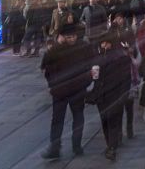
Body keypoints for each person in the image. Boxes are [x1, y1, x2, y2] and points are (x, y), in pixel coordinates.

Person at [40, 23, 93, 160]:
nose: (71, 39)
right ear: (62, 37)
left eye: (73, 36)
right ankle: (55, 148)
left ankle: (77, 145)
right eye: (68, 37)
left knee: (78, 117)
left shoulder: (83, 47)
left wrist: (86, 81)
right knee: (57, 120)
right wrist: (52, 84)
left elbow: (90, 65)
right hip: (60, 91)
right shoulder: (55, 50)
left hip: (77, 89)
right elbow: (45, 69)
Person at [91, 32, 132, 161]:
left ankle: (112, 148)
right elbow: (93, 77)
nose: (104, 45)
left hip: (116, 94)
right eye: (102, 43)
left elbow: (126, 78)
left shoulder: (121, 57)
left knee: (113, 120)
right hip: (101, 96)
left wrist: (124, 94)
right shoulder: (97, 58)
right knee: (105, 121)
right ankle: (110, 144)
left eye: (106, 43)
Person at [108, 11, 138, 140]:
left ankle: (129, 129)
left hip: (129, 70)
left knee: (129, 105)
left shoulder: (128, 31)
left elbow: (134, 46)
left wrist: (131, 50)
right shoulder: (111, 33)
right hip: (117, 74)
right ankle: (119, 132)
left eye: (120, 18)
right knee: (119, 107)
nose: (118, 20)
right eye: (116, 19)